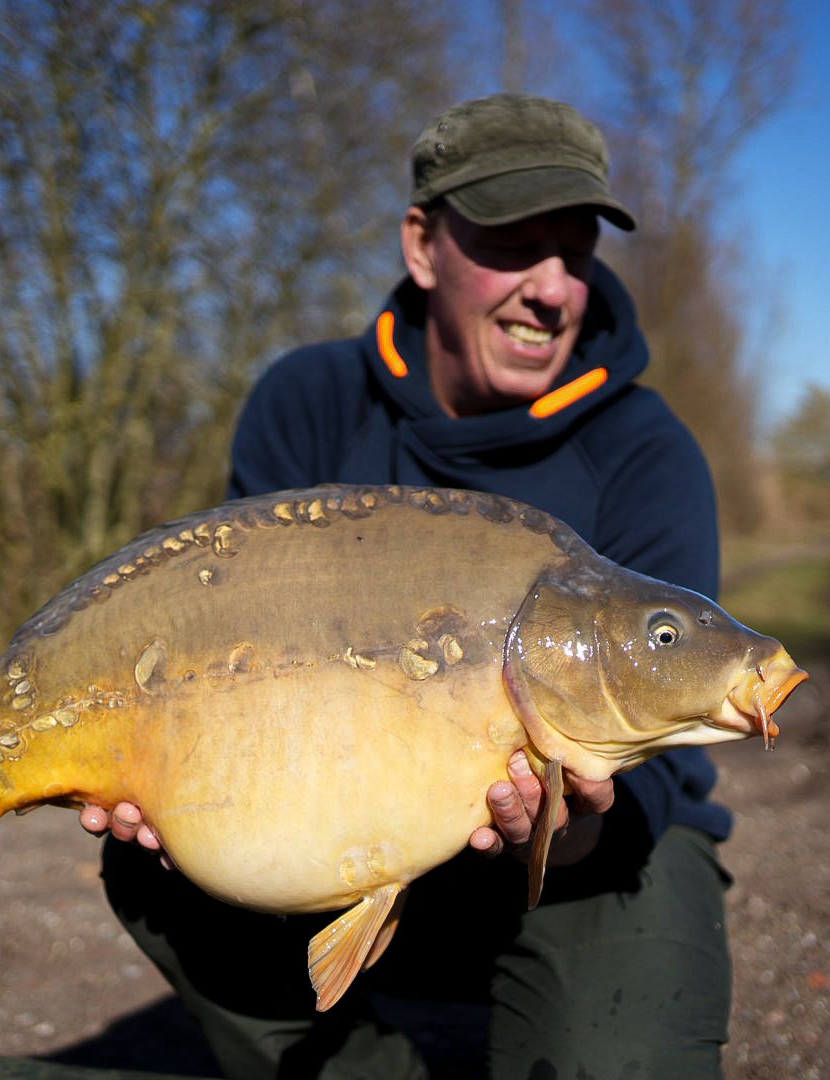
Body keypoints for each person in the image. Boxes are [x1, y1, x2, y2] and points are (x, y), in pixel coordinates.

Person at [82, 92, 734, 1079]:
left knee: (628, 988)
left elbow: (667, 775)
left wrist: (572, 828)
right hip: (341, 826)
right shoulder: (308, 401)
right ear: (422, 246)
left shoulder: (646, 450)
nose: (552, 289)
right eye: (514, 245)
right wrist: (165, 774)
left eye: (575, 252)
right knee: (149, 860)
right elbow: (222, 639)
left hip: (581, 866)